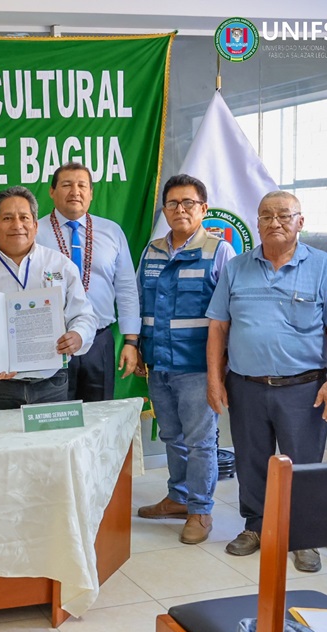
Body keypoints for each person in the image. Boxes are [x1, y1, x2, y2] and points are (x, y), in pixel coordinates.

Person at [206, 191, 327, 572]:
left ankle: (303, 535)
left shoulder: (322, 267)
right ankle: (255, 526)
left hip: (303, 388)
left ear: (300, 222)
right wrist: (214, 379)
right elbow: (218, 328)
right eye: (266, 216)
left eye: (284, 215)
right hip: (246, 384)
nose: (275, 222)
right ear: (256, 222)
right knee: (251, 460)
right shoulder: (236, 267)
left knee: (302, 464)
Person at [134, 175, 235, 545]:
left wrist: (218, 370)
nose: (180, 210)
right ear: (164, 210)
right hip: (158, 363)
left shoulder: (219, 251)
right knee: (172, 436)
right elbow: (144, 305)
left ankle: (200, 510)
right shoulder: (152, 250)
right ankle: (177, 497)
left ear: (203, 209)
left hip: (196, 367)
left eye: (188, 203)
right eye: (173, 204)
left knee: (200, 441)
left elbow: (227, 315)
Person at [0, 186, 97, 410]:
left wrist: (78, 335)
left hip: (52, 384)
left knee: (52, 445)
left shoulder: (60, 265)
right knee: (0, 445)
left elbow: (84, 315)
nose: (17, 225)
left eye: (24, 217)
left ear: (35, 226)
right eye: (7, 218)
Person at [36, 162, 141, 401]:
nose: (75, 191)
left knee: (99, 419)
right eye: (66, 185)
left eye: (82, 185)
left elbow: (126, 289)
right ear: (52, 191)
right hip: (53, 341)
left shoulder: (112, 232)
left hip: (100, 341)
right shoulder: (34, 233)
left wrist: (131, 340)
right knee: (55, 418)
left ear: (91, 193)